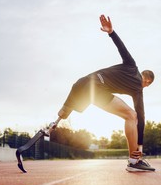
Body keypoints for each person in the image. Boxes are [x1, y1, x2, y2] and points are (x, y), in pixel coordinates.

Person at [51, 15, 155, 172]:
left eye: (147, 83)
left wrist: (111, 32)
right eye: (146, 81)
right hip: (94, 86)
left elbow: (142, 116)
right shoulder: (134, 74)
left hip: (84, 85)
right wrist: (111, 32)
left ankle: (50, 126)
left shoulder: (134, 79)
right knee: (131, 115)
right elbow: (141, 116)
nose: (145, 84)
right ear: (144, 77)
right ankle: (134, 161)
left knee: (63, 113)